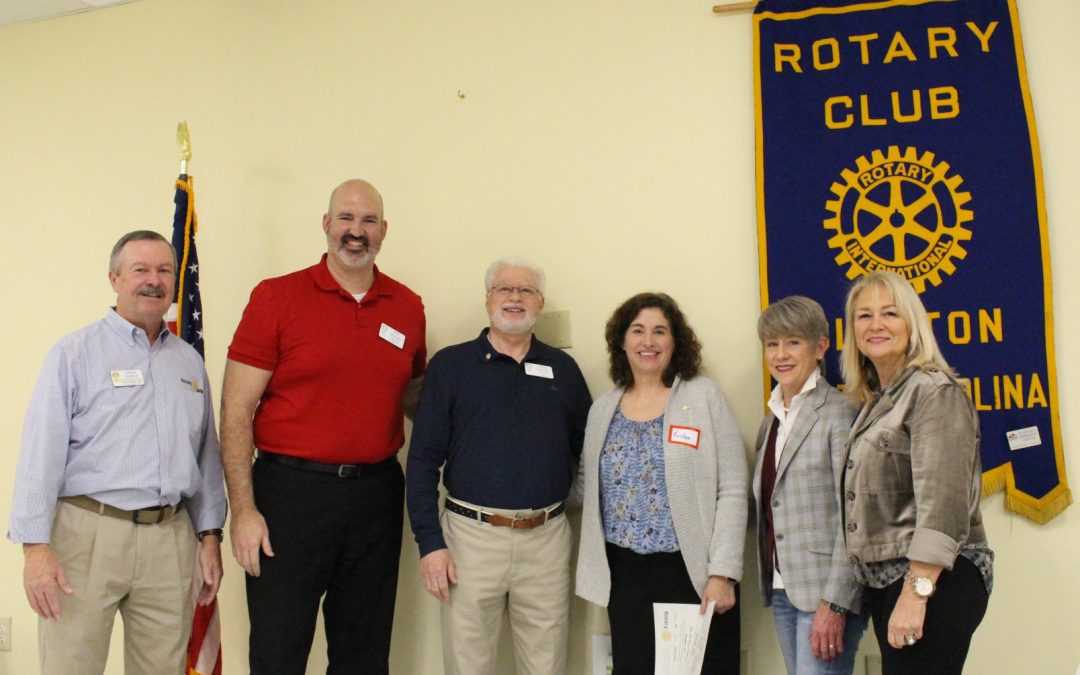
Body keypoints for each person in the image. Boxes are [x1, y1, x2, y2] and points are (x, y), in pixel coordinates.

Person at [221, 179, 426, 674]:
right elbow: (234, 411)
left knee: (365, 652)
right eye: (346, 219)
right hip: (288, 497)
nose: (356, 232)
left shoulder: (407, 306)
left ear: (384, 230)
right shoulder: (276, 297)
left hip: (375, 497)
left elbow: (416, 399)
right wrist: (243, 510)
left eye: (368, 221)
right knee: (278, 649)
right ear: (326, 224)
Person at [9, 230, 227, 675]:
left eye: (164, 270)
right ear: (113, 278)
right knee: (71, 665)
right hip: (88, 536)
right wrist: (35, 551)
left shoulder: (188, 362)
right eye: (140, 270)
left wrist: (209, 537)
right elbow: (39, 456)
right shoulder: (74, 354)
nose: (154, 281)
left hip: (169, 540)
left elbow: (204, 458)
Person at [406, 257, 592, 675]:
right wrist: (430, 544)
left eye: (525, 290)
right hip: (469, 541)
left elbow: (588, 451)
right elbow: (421, 462)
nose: (514, 297)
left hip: (546, 541)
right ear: (487, 299)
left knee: (547, 666)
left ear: (540, 303)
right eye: (504, 288)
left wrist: (563, 501)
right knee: (468, 666)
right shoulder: (451, 367)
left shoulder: (564, 371)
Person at [576, 292, 747, 674]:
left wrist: (722, 573)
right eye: (637, 331)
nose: (648, 342)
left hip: (693, 572)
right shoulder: (604, 408)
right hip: (625, 575)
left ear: (675, 342)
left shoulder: (704, 398)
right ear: (622, 342)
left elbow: (733, 490)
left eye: (659, 331)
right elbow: (587, 484)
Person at [840, 271, 993, 675]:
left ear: (912, 323)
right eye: (864, 315)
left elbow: (943, 506)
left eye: (889, 313)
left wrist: (916, 592)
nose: (875, 325)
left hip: (934, 582)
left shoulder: (934, 392)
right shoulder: (880, 401)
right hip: (890, 583)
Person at [752, 296, 867, 675]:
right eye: (772, 343)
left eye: (793, 342)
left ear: (820, 348)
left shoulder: (838, 413)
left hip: (826, 595)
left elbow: (854, 517)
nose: (780, 354)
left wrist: (835, 603)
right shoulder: (771, 422)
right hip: (784, 588)